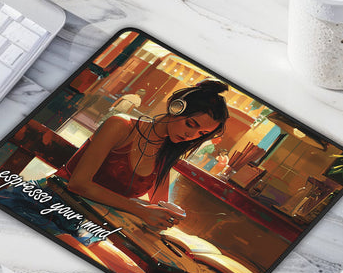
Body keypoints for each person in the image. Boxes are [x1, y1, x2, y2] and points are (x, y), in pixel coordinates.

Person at [59, 80, 229, 231]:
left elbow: (159, 204)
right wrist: (141, 210)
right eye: (191, 124)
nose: (191, 135)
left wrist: (164, 217)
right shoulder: (121, 126)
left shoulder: (167, 152)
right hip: (58, 204)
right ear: (175, 108)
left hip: (95, 223)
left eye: (201, 133)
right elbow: (78, 183)